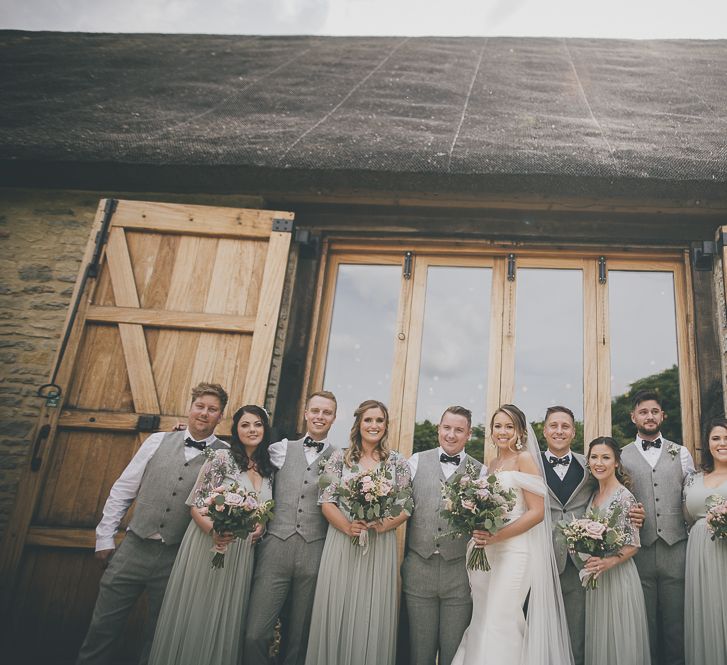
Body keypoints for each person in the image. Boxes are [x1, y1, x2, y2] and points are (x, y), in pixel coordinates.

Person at [76, 382, 229, 665]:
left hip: (178, 557)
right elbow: (124, 489)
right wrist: (105, 537)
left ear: (221, 416)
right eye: (200, 406)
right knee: (102, 629)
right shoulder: (157, 441)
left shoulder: (225, 455)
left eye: (213, 409)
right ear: (190, 407)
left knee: (161, 638)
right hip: (133, 547)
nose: (204, 413)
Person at [148, 405, 275, 665]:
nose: (252, 429)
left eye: (258, 424)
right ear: (236, 431)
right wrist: (214, 531)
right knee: (198, 612)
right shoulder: (221, 458)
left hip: (241, 556)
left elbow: (262, 509)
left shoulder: (268, 468)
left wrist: (261, 527)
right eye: (245, 425)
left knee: (225, 617)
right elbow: (196, 503)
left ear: (265, 428)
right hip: (210, 544)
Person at [452, 404, 573, 665]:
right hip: (487, 552)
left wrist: (497, 536)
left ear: (519, 431)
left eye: (509, 426)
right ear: (491, 431)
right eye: (498, 426)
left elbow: (536, 512)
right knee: (482, 617)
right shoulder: (493, 463)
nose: (502, 431)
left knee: (501, 618)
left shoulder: (524, 459)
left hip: (515, 551)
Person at [304, 399, 413, 665]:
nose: (374, 425)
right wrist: (347, 526)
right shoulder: (338, 458)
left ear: (386, 426)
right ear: (358, 424)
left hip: (379, 544)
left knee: (371, 611)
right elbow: (326, 501)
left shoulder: (397, 462)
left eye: (379, 420)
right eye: (368, 420)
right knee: (336, 608)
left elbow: (407, 506)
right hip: (342, 541)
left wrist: (381, 525)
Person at [243, 391, 338, 665]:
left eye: (327, 412)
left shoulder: (340, 458)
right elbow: (245, 454)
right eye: (316, 411)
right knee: (255, 633)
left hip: (314, 552)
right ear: (306, 413)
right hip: (274, 548)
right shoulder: (280, 449)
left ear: (334, 418)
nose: (320, 416)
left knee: (299, 637)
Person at [401, 405, 483, 665]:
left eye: (459, 430)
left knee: (454, 653)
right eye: (447, 428)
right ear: (439, 428)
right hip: (418, 570)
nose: (451, 434)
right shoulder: (415, 461)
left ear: (468, 434)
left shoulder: (480, 473)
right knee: (419, 651)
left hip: (459, 574)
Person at [620, 389, 694, 665]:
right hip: (639, 550)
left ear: (663, 415)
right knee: (643, 623)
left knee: (677, 622)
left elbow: (692, 496)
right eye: (643, 411)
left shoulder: (681, 452)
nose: (649, 416)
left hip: (677, 548)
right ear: (633, 417)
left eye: (654, 411)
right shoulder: (622, 455)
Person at [582, 437, 651, 665]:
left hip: (618, 576)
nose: (599, 463)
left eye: (605, 457)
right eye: (594, 457)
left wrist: (607, 563)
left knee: (620, 638)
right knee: (602, 637)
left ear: (616, 463)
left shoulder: (624, 496)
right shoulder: (593, 496)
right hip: (598, 578)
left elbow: (633, 544)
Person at [541, 406, 595, 665]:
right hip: (541, 560)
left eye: (565, 426)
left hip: (578, 560)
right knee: (541, 632)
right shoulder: (530, 463)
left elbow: (611, 491)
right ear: (544, 430)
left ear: (574, 432)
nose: (559, 431)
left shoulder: (590, 464)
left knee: (577, 634)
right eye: (554, 425)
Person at [683, 417, 727, 665]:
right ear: (707, 443)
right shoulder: (694, 479)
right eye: (716, 438)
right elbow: (686, 517)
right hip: (699, 551)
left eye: (726, 438)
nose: (722, 443)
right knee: (707, 613)